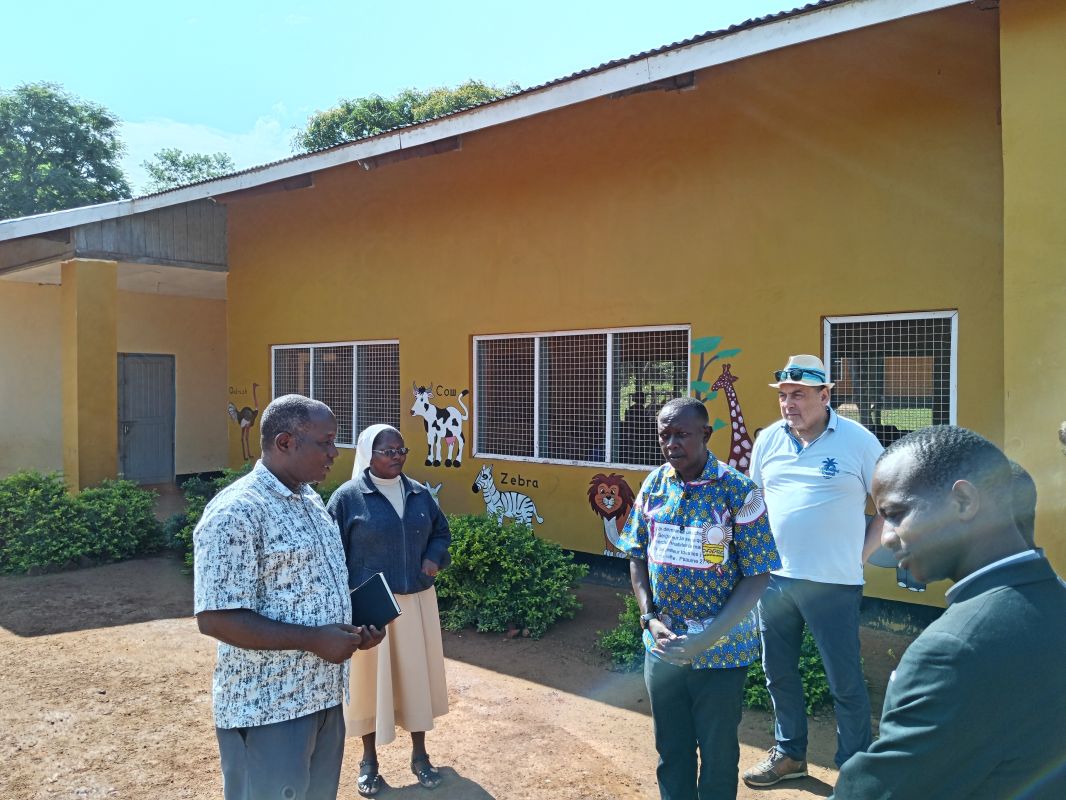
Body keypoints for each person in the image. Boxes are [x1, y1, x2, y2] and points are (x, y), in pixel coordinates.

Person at [832, 426, 1066, 799]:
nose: (887, 537)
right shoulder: (1054, 597)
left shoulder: (953, 649)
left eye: (896, 513)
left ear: (963, 501)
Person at [194, 395, 385, 800]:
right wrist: (313, 639)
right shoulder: (236, 512)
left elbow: (312, 587)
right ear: (285, 443)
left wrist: (354, 629)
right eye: (325, 442)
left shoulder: (310, 500)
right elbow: (215, 618)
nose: (335, 453)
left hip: (324, 696)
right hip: (270, 708)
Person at [617, 396, 781, 800]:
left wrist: (707, 638)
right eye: (664, 435)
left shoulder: (739, 492)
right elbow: (637, 556)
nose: (671, 444)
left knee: (718, 753)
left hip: (722, 654)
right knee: (671, 751)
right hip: (663, 648)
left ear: (706, 434)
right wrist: (649, 618)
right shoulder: (654, 485)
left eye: (682, 434)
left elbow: (758, 575)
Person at [743, 355, 884, 786]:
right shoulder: (769, 440)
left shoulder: (859, 441)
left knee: (844, 681)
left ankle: (856, 770)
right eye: (784, 395)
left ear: (825, 395)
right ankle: (790, 755)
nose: (789, 404)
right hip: (775, 581)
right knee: (778, 673)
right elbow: (755, 501)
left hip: (834, 584)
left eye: (799, 395)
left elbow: (891, 506)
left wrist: (859, 556)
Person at [327, 424, 451, 797]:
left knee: (415, 679)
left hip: (415, 602)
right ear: (369, 453)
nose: (397, 456)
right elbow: (331, 552)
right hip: (371, 607)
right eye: (388, 451)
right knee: (370, 685)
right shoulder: (348, 498)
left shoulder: (419, 493)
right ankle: (369, 762)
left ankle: (420, 756)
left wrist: (433, 557)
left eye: (401, 450)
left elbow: (441, 532)